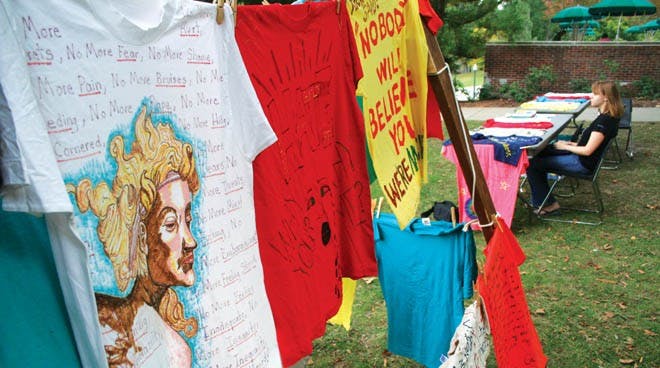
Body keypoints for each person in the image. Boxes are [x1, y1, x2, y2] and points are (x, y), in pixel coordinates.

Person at [67, 105, 200, 367]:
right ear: (141, 237)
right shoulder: (100, 320)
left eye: (188, 220)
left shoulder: (177, 351)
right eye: (171, 224)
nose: (190, 241)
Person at [526, 80, 623, 216]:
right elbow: (592, 145)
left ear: (605, 97)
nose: (591, 97)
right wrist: (572, 145)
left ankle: (549, 205)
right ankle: (544, 200)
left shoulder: (604, 122)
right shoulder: (607, 117)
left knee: (532, 163)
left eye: (595, 94)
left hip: (582, 163)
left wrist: (564, 146)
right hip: (583, 158)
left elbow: (588, 150)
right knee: (539, 154)